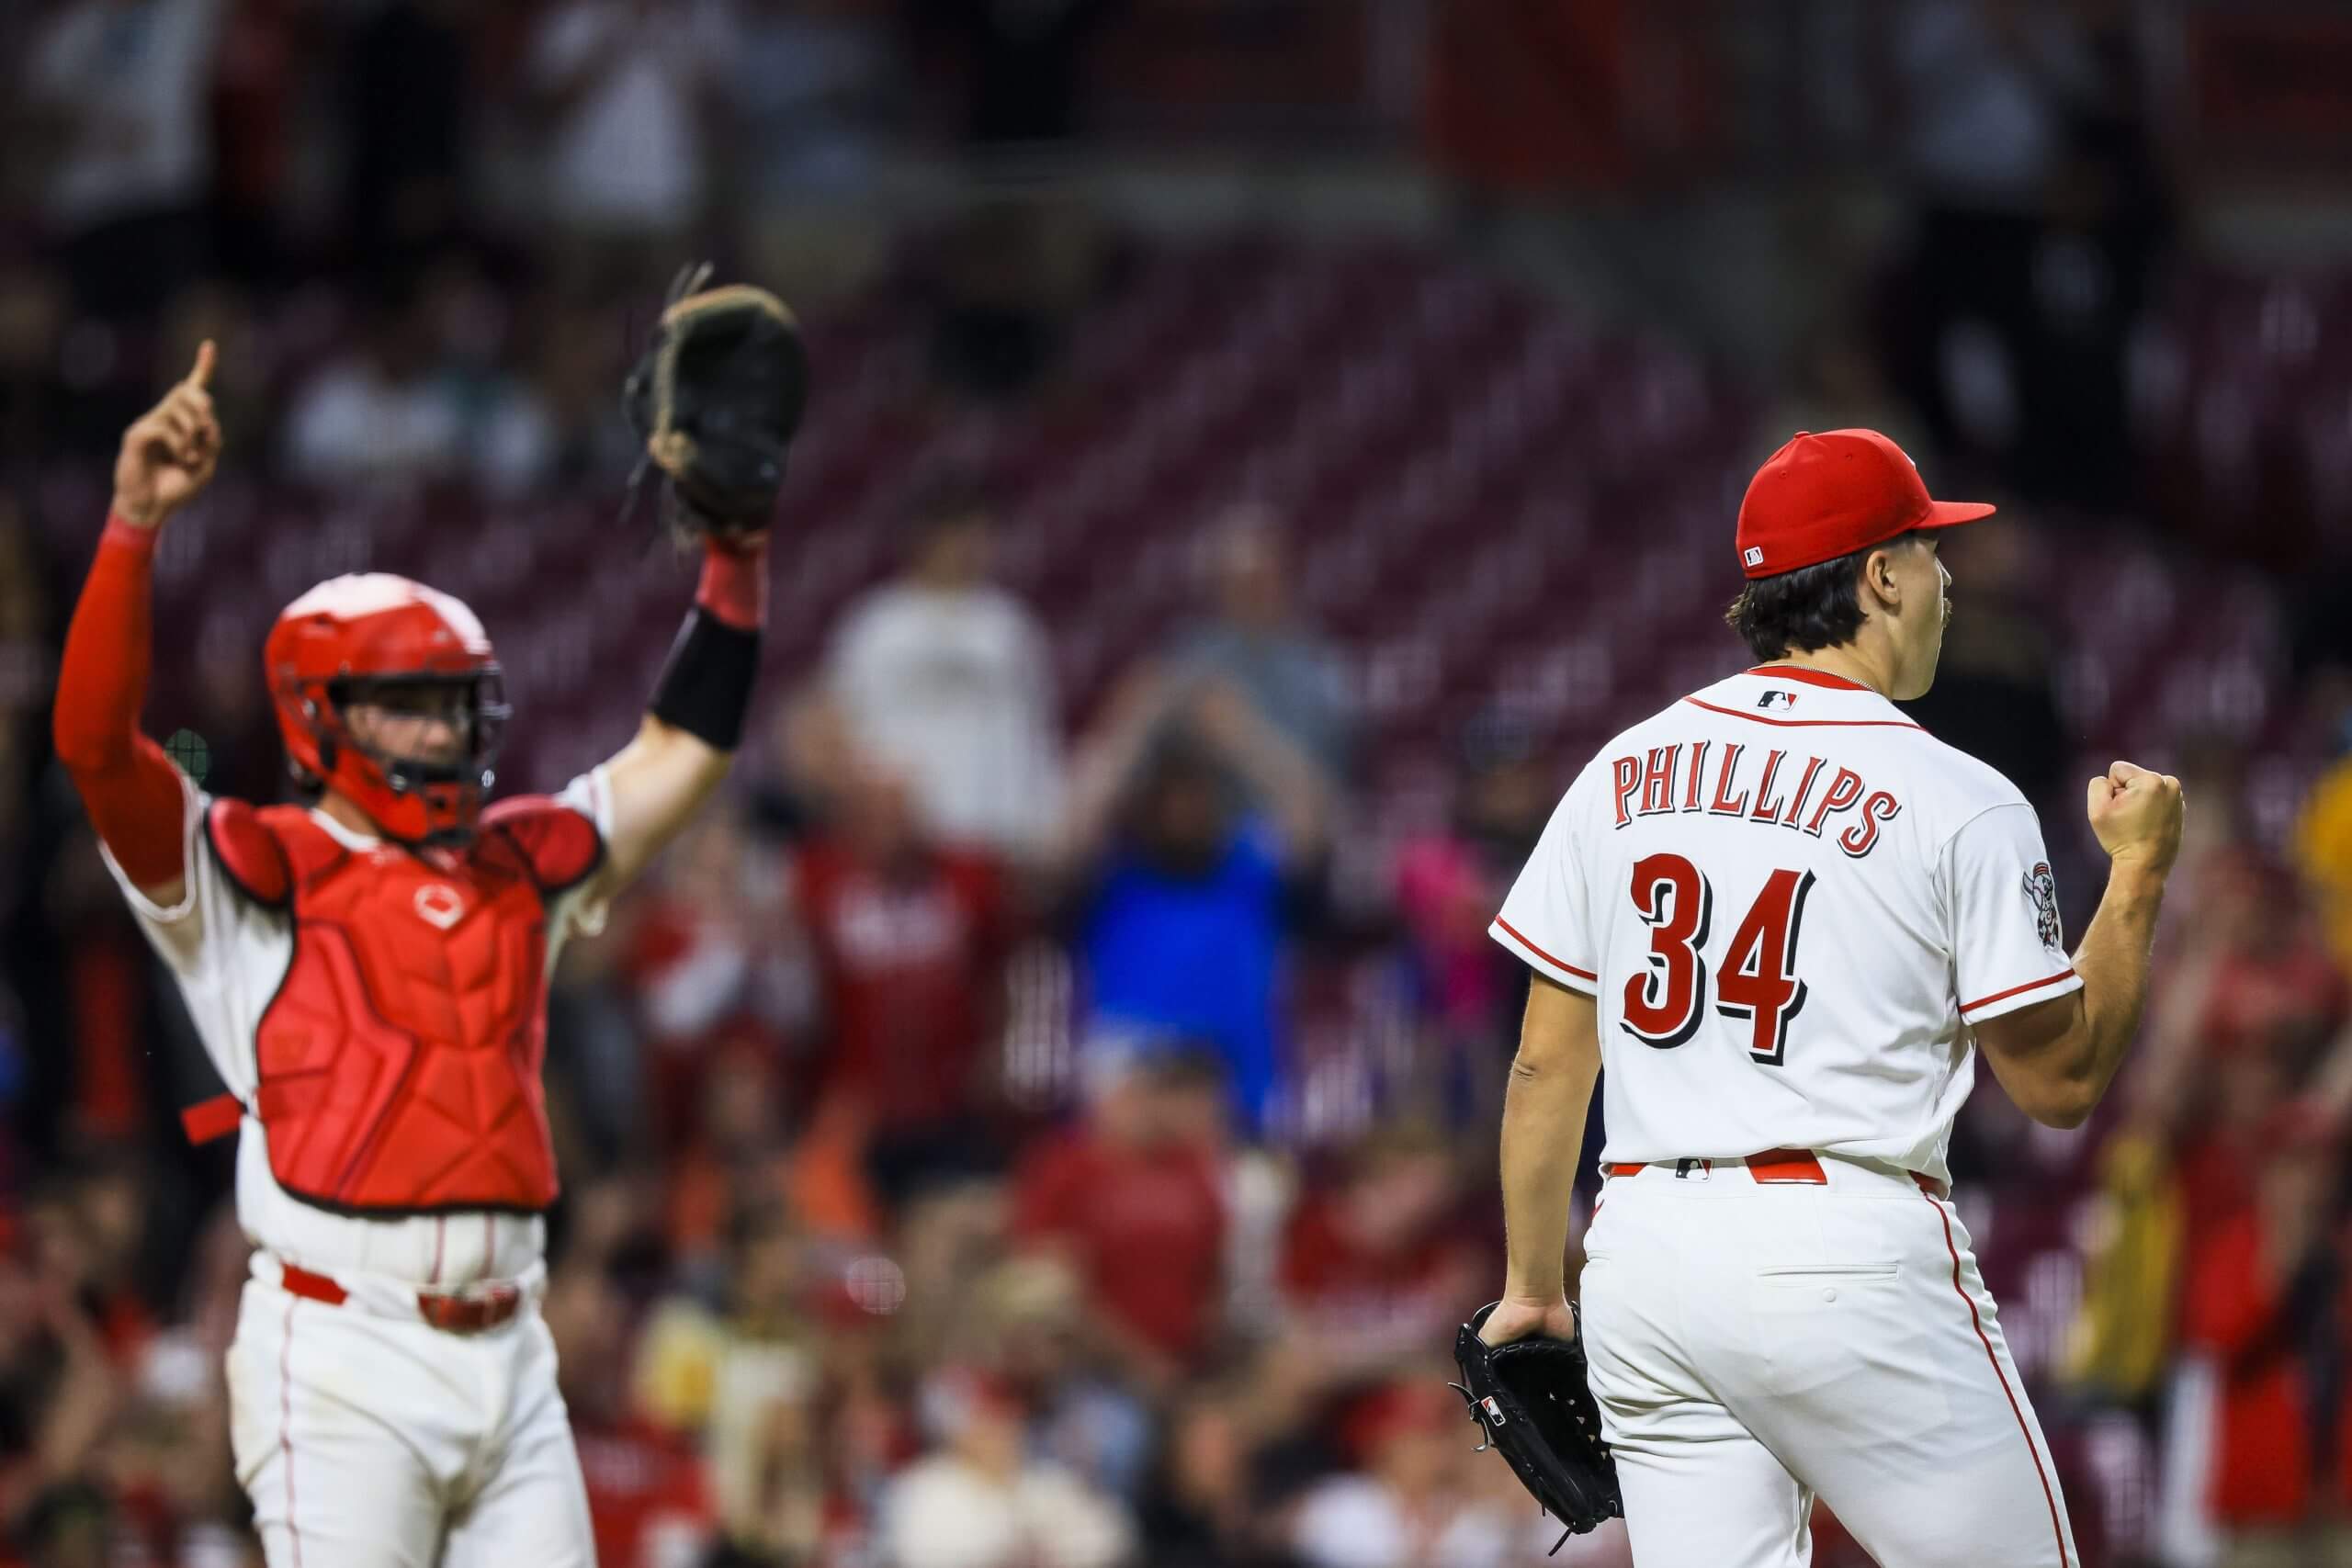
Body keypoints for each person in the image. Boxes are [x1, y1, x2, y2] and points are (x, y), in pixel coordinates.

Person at [49, 342, 775, 1567]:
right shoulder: (244, 875)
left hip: (513, 1342)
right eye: (409, 701)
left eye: (454, 700)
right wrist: (130, 531)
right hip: (342, 1353)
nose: (442, 727)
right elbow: (97, 746)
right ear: (319, 715)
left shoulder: (520, 861)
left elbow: (682, 749)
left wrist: (736, 557)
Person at [1476, 427, 2186, 1567]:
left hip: (1643, 1257)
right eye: (1929, 550)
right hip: (1843, 1246)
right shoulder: (1957, 792)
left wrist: (1529, 1289)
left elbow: (1546, 1065)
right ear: (1881, 575)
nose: (1947, 581)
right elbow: (2059, 1082)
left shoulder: (1622, 768)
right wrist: (2141, 873)